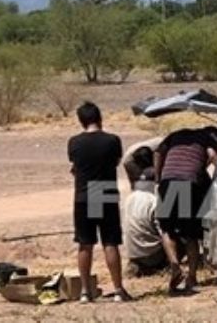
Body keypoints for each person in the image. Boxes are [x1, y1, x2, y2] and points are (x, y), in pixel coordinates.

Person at [68, 102, 132, 303]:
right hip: (105, 191)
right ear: (99, 117)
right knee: (110, 242)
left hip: (84, 195)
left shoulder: (74, 142)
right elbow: (115, 162)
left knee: (84, 244)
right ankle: (118, 289)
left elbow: (75, 167)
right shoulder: (112, 140)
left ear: (81, 121)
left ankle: (85, 291)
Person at [155, 126, 217, 294]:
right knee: (190, 234)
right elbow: (214, 157)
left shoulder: (177, 134)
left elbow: (158, 152)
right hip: (188, 183)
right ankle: (192, 277)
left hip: (168, 181)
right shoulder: (207, 139)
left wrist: (158, 177)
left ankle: (175, 266)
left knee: (167, 229)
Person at [123, 147, 170, 275]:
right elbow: (164, 231)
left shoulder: (130, 199)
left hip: (133, 253)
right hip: (153, 255)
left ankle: (139, 265)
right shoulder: (154, 199)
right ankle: (164, 265)